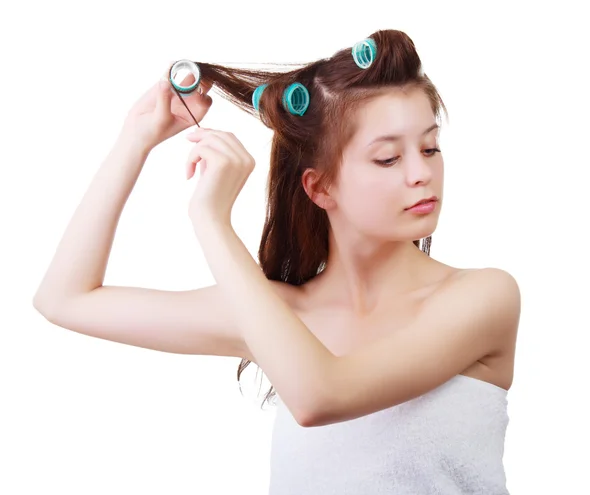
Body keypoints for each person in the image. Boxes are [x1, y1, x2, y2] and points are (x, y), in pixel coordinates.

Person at [33, 29, 520, 494]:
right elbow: (65, 299)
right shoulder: (277, 318)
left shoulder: (482, 298)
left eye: (430, 148)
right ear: (319, 187)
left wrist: (212, 221)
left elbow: (320, 396)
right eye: (388, 158)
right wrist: (134, 140)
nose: (422, 174)